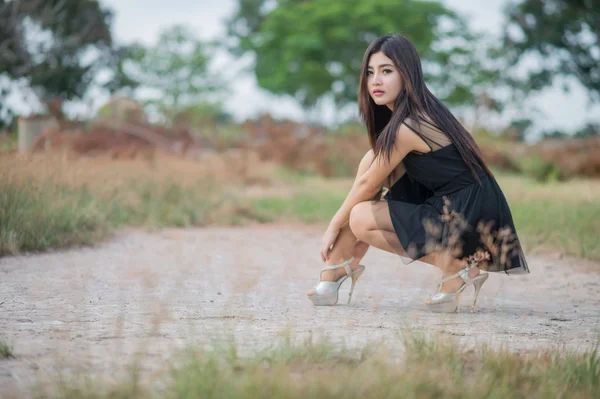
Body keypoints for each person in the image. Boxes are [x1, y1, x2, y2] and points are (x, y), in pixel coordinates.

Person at [306, 34, 529, 313]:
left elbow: (367, 184)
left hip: (464, 214)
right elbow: (371, 176)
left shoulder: (410, 126)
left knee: (361, 217)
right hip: (458, 205)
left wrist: (333, 225)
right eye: (370, 72)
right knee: (371, 159)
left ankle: (454, 266)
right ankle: (335, 271)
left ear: (407, 74)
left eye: (386, 71)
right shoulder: (417, 114)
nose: (375, 80)